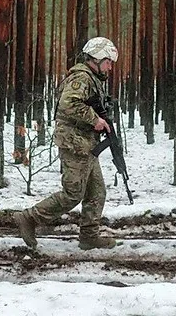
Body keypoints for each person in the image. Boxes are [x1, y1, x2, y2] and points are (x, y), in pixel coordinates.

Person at [13, 37, 119, 251]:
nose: (110, 66)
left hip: (86, 143)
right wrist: (95, 120)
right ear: (97, 58)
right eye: (108, 61)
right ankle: (29, 218)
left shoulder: (93, 78)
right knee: (73, 193)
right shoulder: (81, 77)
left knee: (96, 192)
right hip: (74, 143)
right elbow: (68, 103)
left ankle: (89, 236)